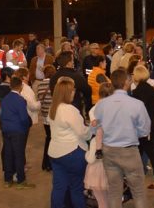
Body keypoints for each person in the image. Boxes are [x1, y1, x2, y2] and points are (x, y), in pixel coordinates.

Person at [93, 68, 151, 208]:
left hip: (109, 151)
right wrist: (133, 133)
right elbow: (145, 130)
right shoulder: (137, 104)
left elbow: (96, 127)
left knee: (114, 191)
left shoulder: (101, 104)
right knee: (138, 191)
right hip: (129, 151)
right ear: (126, 82)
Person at [48, 76, 92, 208]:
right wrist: (92, 128)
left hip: (55, 153)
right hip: (72, 153)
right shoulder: (70, 110)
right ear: (67, 92)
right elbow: (83, 133)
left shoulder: (53, 108)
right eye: (73, 90)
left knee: (59, 187)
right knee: (76, 187)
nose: (74, 92)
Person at [130, 65, 154, 190]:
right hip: (150, 125)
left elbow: (137, 112)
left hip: (144, 128)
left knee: (149, 153)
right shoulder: (149, 88)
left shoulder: (138, 91)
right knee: (146, 152)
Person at [0, 76, 35, 189]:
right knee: (19, 155)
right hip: (18, 130)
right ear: (20, 87)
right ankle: (21, 180)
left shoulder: (5, 99)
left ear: (10, 86)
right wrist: (27, 126)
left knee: (8, 154)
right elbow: (24, 118)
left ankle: (8, 180)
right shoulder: (20, 100)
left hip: (6, 130)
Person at [85, 82, 112, 208]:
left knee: (101, 199)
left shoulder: (93, 109)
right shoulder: (115, 108)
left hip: (97, 162)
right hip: (112, 149)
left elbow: (90, 159)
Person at [50, 51, 92, 115]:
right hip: (74, 108)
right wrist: (87, 106)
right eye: (72, 60)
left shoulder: (54, 77)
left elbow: (52, 93)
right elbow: (88, 90)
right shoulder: (76, 76)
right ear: (68, 63)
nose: (73, 62)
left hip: (58, 109)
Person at [38, 64, 56, 171]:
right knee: (53, 139)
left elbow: (39, 99)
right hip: (53, 116)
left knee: (48, 137)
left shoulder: (40, 85)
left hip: (45, 116)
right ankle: (50, 163)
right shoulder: (54, 84)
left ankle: (45, 163)